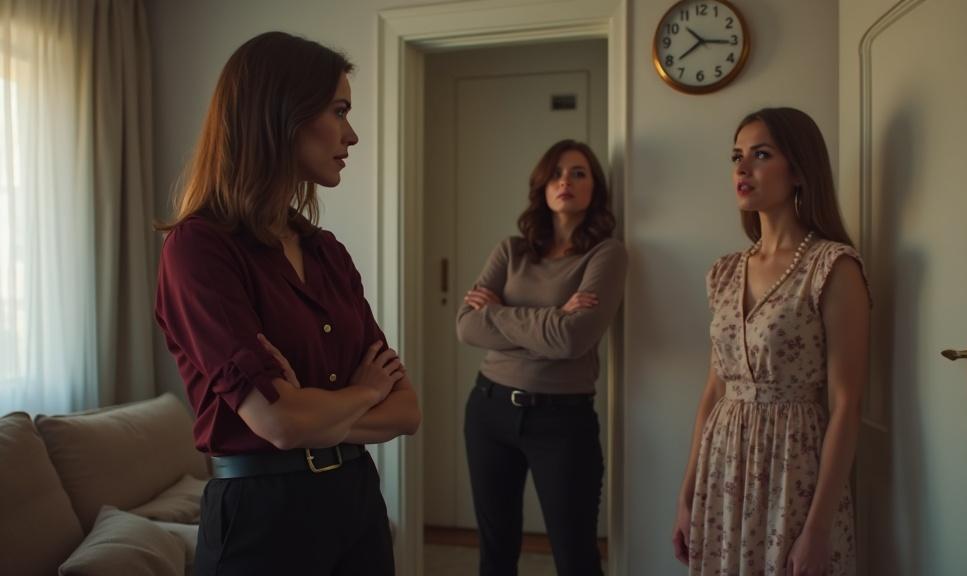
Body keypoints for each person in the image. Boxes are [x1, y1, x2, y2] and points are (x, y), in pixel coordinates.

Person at [154, 31, 420, 576]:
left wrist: (314, 414)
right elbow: (279, 422)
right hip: (260, 517)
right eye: (339, 111)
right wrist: (364, 392)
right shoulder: (199, 249)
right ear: (282, 114)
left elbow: (406, 411)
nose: (352, 134)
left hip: (356, 500)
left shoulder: (328, 254)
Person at [672, 107, 868, 576]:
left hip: (792, 469)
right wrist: (686, 495)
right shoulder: (724, 272)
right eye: (736, 156)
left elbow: (846, 403)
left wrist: (818, 528)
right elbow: (713, 391)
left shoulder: (832, 267)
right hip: (722, 468)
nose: (742, 168)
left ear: (798, 170)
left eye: (760, 155)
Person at [455, 139, 626, 576]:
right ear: (542, 187)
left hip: (562, 421)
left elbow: (573, 340)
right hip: (489, 410)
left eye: (578, 173)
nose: (565, 181)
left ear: (594, 188)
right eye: (556, 174)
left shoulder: (606, 254)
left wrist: (498, 313)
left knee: (576, 558)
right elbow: (466, 326)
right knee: (495, 554)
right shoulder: (511, 250)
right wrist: (552, 318)